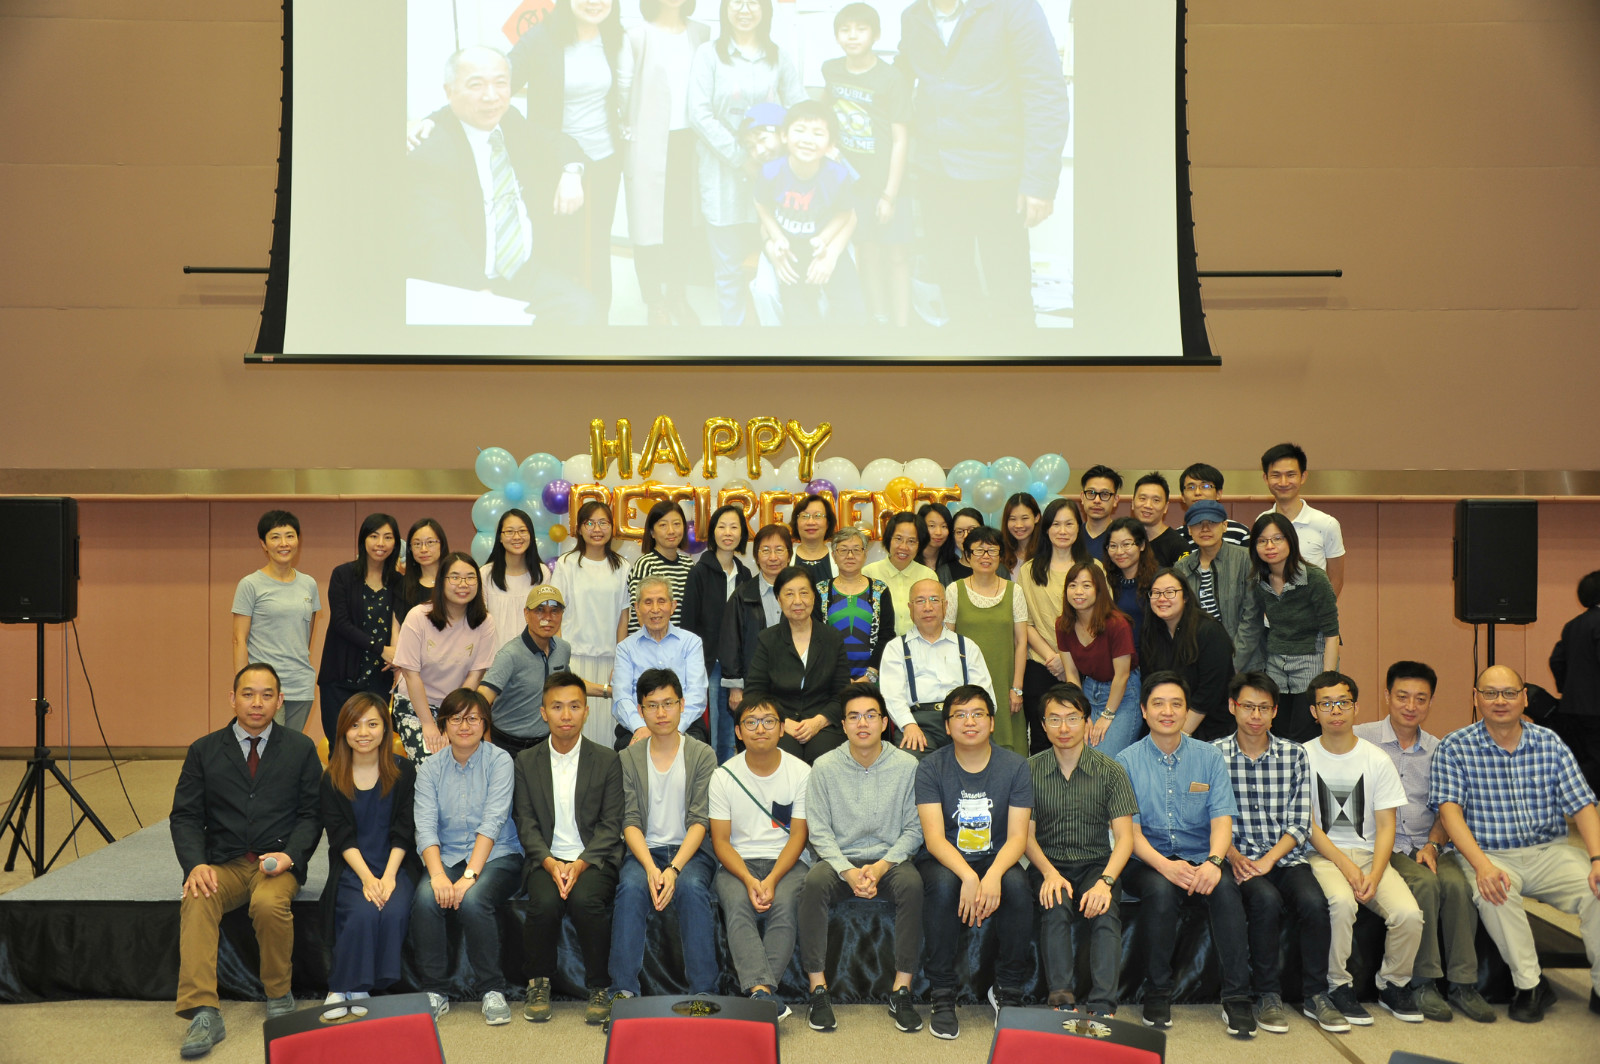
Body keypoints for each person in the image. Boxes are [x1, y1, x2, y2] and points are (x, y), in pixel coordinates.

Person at [1432, 665, 1600, 1023]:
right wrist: (1482, 866)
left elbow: (1583, 805)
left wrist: (1598, 859)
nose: (1500, 701)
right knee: (1495, 892)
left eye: (1509, 693)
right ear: (1475, 699)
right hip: (1490, 854)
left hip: (1548, 852)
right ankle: (1530, 986)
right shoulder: (1455, 746)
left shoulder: (1549, 743)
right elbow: (1450, 814)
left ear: (1524, 698)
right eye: (1490, 693)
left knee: (1597, 888)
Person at [171, 664, 322, 1059]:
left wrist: (290, 855)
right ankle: (204, 1011)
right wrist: (195, 865)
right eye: (248, 694)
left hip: (276, 863)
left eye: (267, 695)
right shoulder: (204, 750)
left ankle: (279, 994)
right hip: (223, 862)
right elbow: (185, 816)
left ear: (280, 700)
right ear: (232, 698)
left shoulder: (300, 748)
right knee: (197, 898)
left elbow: (311, 814)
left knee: (269, 904)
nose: (257, 703)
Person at [898, 0, 1069, 326]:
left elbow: (1046, 94)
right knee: (954, 285)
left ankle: (1017, 357)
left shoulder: (1015, 9)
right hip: (936, 173)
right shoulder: (914, 16)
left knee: (1009, 291)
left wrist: (1040, 182)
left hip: (998, 175)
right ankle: (970, 355)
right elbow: (900, 78)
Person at [406, 46, 595, 325]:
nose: (491, 96)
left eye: (500, 83)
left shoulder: (509, 120)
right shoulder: (433, 150)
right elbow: (439, 233)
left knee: (583, 310)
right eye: (476, 85)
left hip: (523, 270)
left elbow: (556, 141)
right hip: (469, 277)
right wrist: (476, 291)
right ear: (449, 91)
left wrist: (571, 171)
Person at [1353, 661, 1496, 1023]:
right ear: (1387, 696)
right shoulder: (1361, 739)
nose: (1410, 706)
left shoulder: (1440, 749)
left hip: (1429, 842)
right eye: (1402, 696)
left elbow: (1448, 810)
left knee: (1458, 885)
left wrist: (1432, 844)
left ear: (1431, 702)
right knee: (1425, 884)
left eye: (1421, 698)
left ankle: (1463, 983)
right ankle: (1423, 982)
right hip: (1384, 844)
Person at [1115, 673, 1256, 1037]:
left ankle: (1237, 997)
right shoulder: (1126, 761)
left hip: (1201, 854)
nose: (1168, 712)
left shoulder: (1209, 757)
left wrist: (1214, 862)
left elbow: (1221, 820)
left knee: (1226, 890)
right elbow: (1130, 833)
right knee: (1160, 892)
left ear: (1186, 710)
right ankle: (1157, 993)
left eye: (1176, 704)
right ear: (1143, 711)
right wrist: (1165, 866)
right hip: (1146, 859)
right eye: (1158, 704)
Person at [1212, 672, 1347, 1035]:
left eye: (1264, 708)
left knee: (1314, 902)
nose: (1255, 715)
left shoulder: (1294, 754)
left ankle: (1316, 995)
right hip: (1238, 858)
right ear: (1232, 707)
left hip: (1284, 856)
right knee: (1266, 901)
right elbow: (1208, 817)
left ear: (1275, 712)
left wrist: (1269, 859)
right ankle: (1267, 995)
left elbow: (1300, 822)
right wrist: (1233, 856)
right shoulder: (1213, 754)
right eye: (1248, 707)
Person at [798, 683, 925, 1034]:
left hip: (890, 860)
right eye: (853, 717)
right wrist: (846, 871)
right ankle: (818, 989)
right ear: (843, 725)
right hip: (840, 860)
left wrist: (883, 866)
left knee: (913, 885)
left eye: (870, 715)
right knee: (812, 883)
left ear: (885, 722)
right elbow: (818, 831)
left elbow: (914, 829)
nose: (862, 723)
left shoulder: (907, 765)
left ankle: (901, 991)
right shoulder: (824, 767)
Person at [1302, 671, 1426, 1026]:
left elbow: (1387, 826)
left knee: (1408, 915)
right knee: (1341, 904)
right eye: (1326, 704)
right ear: (1314, 712)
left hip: (1372, 857)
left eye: (1343, 702)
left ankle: (1392, 984)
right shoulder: (1302, 756)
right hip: (1323, 856)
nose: (1335, 710)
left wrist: (1375, 872)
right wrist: (1345, 865)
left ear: (1356, 708)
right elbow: (1308, 826)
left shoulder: (1376, 759)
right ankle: (1338, 986)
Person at [914, 685, 1034, 1039]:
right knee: (944, 885)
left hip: (997, 856)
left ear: (992, 722)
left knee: (1017, 885)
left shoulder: (1015, 766)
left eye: (978, 714)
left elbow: (1018, 837)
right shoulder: (930, 767)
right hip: (945, 858)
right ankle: (942, 993)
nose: (970, 722)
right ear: (947, 726)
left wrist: (993, 874)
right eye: (960, 715)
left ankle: (1008, 990)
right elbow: (934, 839)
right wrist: (968, 875)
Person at [511, 671, 625, 1027]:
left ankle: (599, 987)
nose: (566, 715)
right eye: (557, 707)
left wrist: (580, 864)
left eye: (574, 706)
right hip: (544, 858)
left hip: (593, 858)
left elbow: (611, 824)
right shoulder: (526, 761)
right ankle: (538, 983)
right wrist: (549, 862)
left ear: (586, 711)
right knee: (544, 904)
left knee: (586, 901)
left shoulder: (607, 759)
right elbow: (525, 822)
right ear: (543, 712)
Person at [687, 0, 807, 326]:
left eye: (752, 2)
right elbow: (698, 115)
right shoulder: (708, 55)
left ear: (764, 9)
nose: (744, 9)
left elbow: (800, 109)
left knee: (778, 264)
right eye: (736, 2)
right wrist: (742, 159)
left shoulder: (778, 56)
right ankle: (736, 344)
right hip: (721, 178)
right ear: (725, 8)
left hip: (774, 180)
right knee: (727, 272)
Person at [410, 688, 524, 1025]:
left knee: (473, 900)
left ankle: (492, 989)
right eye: (456, 718)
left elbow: (493, 822)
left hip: (497, 855)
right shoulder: (430, 768)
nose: (464, 726)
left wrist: (469, 876)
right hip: (447, 855)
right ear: (443, 724)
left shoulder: (500, 761)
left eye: (473, 718)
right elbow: (425, 826)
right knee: (425, 898)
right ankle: (435, 990)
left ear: (485, 723)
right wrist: (438, 876)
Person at [507, 0, 625, 319]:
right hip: (555, 165)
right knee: (557, 246)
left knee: (597, 246)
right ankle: (562, 325)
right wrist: (435, 119)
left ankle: (598, 323)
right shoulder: (539, 39)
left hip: (604, 161)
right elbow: (497, 85)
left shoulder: (614, 37)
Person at [1026, 683, 1136, 1017]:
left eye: (1072, 718)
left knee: (1105, 911)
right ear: (1043, 725)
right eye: (1054, 719)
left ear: (1087, 722)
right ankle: (1061, 1001)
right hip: (1048, 862)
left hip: (1096, 864)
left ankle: (1103, 1006)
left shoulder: (1111, 771)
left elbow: (1125, 838)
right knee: (1055, 904)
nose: (1064, 727)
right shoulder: (1028, 771)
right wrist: (1049, 873)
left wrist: (1106, 881)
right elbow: (1024, 836)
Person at [610, 668, 720, 1001]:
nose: (661, 713)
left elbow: (701, 820)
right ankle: (623, 991)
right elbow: (629, 820)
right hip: (644, 851)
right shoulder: (628, 758)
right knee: (630, 888)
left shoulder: (702, 754)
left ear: (682, 705)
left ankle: (704, 993)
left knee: (691, 888)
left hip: (692, 852)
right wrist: (650, 867)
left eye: (668, 703)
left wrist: (673, 869)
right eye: (652, 705)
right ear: (640, 710)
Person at [709, 695, 812, 1016]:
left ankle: (759, 993)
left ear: (782, 728)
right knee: (737, 904)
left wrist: (772, 879)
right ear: (738, 731)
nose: (760, 729)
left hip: (788, 862)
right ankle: (763, 996)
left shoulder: (801, 772)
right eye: (751, 722)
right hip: (737, 862)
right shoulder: (723, 776)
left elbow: (799, 836)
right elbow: (721, 841)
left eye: (768, 721)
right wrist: (748, 878)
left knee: (785, 904)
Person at [319, 691, 419, 1019]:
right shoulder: (332, 777)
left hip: (395, 864)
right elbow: (340, 836)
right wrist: (367, 878)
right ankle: (340, 987)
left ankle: (362, 986)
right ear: (343, 731)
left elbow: (404, 830)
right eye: (355, 725)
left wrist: (388, 878)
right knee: (361, 912)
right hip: (353, 866)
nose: (363, 732)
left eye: (372, 724)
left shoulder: (404, 771)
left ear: (385, 728)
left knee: (393, 910)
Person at [618, 0, 711, 325]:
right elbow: (622, 90)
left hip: (690, 142)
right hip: (648, 143)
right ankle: (653, 300)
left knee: (682, 224)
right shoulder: (636, 36)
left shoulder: (702, 33)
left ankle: (676, 294)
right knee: (646, 225)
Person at [822, 2, 912, 325]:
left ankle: (902, 328)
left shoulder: (891, 78)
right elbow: (825, 115)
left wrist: (889, 195)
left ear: (876, 35)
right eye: (845, 30)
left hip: (889, 183)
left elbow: (901, 140)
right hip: (853, 184)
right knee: (867, 250)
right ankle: (879, 320)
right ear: (837, 36)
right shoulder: (831, 70)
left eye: (861, 29)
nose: (852, 36)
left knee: (897, 254)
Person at [754, 100, 867, 325]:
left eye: (818, 133)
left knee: (852, 310)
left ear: (831, 144)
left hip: (826, 246)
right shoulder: (770, 172)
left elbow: (845, 213)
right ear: (784, 135)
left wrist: (824, 240)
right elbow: (761, 205)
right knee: (799, 316)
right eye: (799, 130)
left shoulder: (838, 175)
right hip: (791, 251)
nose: (807, 139)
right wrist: (777, 237)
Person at [1236, 514, 1341, 742]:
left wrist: (1326, 682)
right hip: (1276, 663)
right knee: (1278, 733)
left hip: (1312, 660)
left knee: (1306, 733)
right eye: (1262, 541)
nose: (1270, 546)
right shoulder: (1258, 581)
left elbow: (1332, 634)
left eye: (1277, 539)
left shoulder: (1314, 578)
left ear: (1291, 541)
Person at [393, 553, 498, 762]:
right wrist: (429, 724)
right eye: (455, 577)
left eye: (470, 577)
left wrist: (453, 720)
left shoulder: (485, 622)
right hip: (415, 706)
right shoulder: (418, 617)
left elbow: (475, 676)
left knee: (470, 762)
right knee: (429, 762)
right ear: (441, 581)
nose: (463, 584)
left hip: (459, 707)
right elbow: (411, 675)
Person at [744, 566, 851, 762]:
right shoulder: (767, 639)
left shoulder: (832, 638)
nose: (798, 601)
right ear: (779, 599)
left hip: (824, 722)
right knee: (785, 756)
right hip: (780, 723)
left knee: (823, 756)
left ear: (814, 597)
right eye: (789, 594)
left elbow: (842, 694)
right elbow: (754, 693)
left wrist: (818, 722)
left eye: (804, 593)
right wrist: (782, 721)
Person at [479, 584, 599, 758]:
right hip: (507, 746)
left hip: (545, 746)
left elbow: (568, 685)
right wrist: (486, 743)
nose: (547, 618)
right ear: (526, 614)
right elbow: (481, 699)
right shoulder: (510, 655)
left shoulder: (562, 649)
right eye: (540, 610)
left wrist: (609, 690)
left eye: (554, 611)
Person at [880, 577, 995, 757]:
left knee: (983, 761)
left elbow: (984, 695)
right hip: (919, 722)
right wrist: (908, 725)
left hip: (963, 719)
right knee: (910, 761)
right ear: (910, 608)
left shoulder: (967, 646)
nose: (928, 607)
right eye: (920, 601)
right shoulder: (896, 648)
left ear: (945, 606)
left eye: (934, 600)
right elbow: (892, 696)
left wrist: (971, 721)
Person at [549, 499, 630, 747]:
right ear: (579, 529)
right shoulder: (566, 564)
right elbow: (556, 612)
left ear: (612, 527)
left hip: (609, 661)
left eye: (603, 523)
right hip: (574, 659)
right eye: (590, 523)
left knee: (606, 733)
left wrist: (621, 662)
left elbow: (623, 617)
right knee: (573, 730)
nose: (597, 529)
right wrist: (560, 658)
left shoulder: (622, 566)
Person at [232, 510, 321, 733]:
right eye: (275, 537)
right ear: (263, 544)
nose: (284, 543)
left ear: (298, 540)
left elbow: (306, 634)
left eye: (290, 536)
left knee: (292, 747)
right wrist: (244, 687)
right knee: (268, 746)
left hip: (301, 684)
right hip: (265, 687)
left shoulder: (309, 584)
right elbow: (239, 639)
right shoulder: (250, 584)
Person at [317, 513, 403, 742]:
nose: (380, 543)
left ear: (396, 543)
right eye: (374, 536)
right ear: (363, 539)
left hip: (378, 680)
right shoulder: (343, 575)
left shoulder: (399, 582)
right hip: (339, 678)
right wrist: (381, 649)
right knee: (339, 745)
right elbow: (340, 623)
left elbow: (402, 623)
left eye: (387, 537)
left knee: (372, 745)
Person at [945, 526, 1028, 757]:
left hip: (1005, 684)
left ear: (1000, 555)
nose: (986, 556)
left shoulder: (1014, 591)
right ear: (967, 555)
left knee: (1009, 751)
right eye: (979, 551)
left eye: (992, 551)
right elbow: (947, 643)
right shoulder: (954, 590)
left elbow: (1021, 642)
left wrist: (1017, 688)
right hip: (966, 683)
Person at [1017, 498, 1092, 752]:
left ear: (1078, 527)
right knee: (1041, 739)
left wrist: (1068, 659)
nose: (1062, 531)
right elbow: (1025, 622)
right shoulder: (1029, 571)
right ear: (1046, 529)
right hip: (1041, 664)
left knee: (1081, 736)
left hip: (1084, 665)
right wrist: (1053, 657)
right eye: (1056, 524)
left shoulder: (1094, 568)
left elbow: (1100, 621)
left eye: (1069, 524)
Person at [681, 503, 753, 762]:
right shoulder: (699, 572)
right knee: (711, 729)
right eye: (722, 527)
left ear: (742, 533)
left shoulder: (745, 574)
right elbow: (688, 623)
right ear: (713, 532)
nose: (728, 533)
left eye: (734, 527)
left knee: (734, 729)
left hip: (738, 665)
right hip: (708, 663)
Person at [1056, 561, 1141, 757]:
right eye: (1072, 585)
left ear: (1099, 590)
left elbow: (1122, 675)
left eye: (1086, 585)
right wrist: (1081, 712)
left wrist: (1107, 715)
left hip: (1123, 693)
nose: (1078, 592)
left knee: (1103, 758)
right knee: (1077, 754)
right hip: (1088, 691)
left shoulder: (1117, 624)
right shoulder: (1063, 624)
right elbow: (1071, 673)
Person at [612, 577, 709, 747]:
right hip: (640, 723)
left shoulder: (691, 643)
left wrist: (675, 728)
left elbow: (697, 693)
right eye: (648, 602)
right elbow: (621, 696)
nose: (655, 609)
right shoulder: (625, 648)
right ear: (637, 608)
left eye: (661, 601)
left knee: (694, 747)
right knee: (626, 748)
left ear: (673, 606)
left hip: (683, 723)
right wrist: (641, 727)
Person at [1140, 570, 1234, 742]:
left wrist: (1180, 737)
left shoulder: (1210, 631)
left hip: (1209, 724)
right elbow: (1149, 684)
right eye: (1156, 593)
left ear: (1185, 597)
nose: (1162, 598)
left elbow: (1209, 691)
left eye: (1170, 592)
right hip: (1167, 721)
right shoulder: (1150, 633)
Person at [1259, 443, 1346, 597]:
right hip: (1270, 611)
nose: (1283, 482)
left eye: (1291, 475)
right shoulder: (1261, 522)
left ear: (1303, 477)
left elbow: (1336, 579)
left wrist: (1323, 609)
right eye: (1276, 475)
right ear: (1266, 478)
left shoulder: (1327, 524)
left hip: (1313, 611)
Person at [720, 524, 792, 707]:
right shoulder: (742, 595)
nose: (773, 557)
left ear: (789, 555)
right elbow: (731, 642)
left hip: (794, 685)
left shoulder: (802, 594)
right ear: (757, 557)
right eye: (765, 550)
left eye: (779, 550)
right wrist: (735, 687)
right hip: (754, 685)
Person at [1173, 499, 1253, 659]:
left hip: (1243, 658)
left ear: (1224, 526)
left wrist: (1235, 661)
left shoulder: (1246, 559)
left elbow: (1252, 616)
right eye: (1198, 523)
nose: (1205, 529)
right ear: (1189, 530)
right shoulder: (1181, 567)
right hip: (1199, 656)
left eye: (1212, 522)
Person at [817, 526, 894, 682]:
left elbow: (886, 635)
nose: (850, 556)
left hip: (872, 679)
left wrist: (870, 675)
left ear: (865, 554)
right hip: (831, 679)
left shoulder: (879, 590)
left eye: (856, 550)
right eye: (843, 550)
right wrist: (839, 677)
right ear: (833, 555)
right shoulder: (821, 590)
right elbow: (816, 638)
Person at [1551, 570, 1600, 792]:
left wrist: (1569, 688)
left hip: (1572, 707)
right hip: (1596, 708)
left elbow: (1556, 660)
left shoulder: (1572, 625)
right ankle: (1577, 800)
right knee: (1595, 763)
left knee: (1582, 758)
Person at [480, 508, 550, 654]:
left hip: (533, 657)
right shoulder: (485, 574)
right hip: (495, 658)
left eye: (522, 531)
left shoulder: (541, 573)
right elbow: (479, 622)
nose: (517, 537)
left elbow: (546, 619)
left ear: (531, 535)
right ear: (500, 537)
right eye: (509, 531)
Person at [863, 511, 938, 637]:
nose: (904, 547)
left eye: (911, 541)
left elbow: (934, 619)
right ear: (889, 539)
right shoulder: (868, 574)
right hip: (880, 646)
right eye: (898, 539)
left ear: (920, 545)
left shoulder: (928, 576)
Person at [626, 501, 693, 634]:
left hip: (681, 643)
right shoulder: (645, 564)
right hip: (649, 642)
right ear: (652, 532)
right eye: (663, 525)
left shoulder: (689, 565)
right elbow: (641, 612)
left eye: (676, 524)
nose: (671, 531)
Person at [1105, 517, 1157, 649]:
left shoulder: (1158, 581)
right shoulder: (1105, 580)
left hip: (1150, 657)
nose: (1119, 552)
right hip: (1115, 657)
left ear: (1142, 545)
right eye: (1113, 546)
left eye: (1126, 544)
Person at [1176, 462, 1251, 547]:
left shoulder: (1240, 532)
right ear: (1183, 496)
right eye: (1191, 487)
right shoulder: (1176, 538)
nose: (1197, 492)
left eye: (1205, 486)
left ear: (1218, 493)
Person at [1130, 473, 1187, 567]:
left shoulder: (1177, 545)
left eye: (1156, 500)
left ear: (1166, 507)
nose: (1148, 505)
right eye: (1142, 498)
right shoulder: (1122, 539)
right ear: (1132, 503)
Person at [398, 518, 449, 619]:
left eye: (430, 542)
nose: (423, 549)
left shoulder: (454, 581)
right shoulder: (402, 586)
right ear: (410, 549)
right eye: (417, 544)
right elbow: (398, 625)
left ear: (442, 544)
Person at [789, 492, 838, 584]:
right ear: (796, 523)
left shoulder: (840, 556)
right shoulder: (786, 557)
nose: (810, 522)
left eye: (817, 516)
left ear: (828, 523)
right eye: (804, 516)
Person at [1078, 466, 1122, 562]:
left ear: (1115, 500)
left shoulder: (1123, 538)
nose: (1097, 500)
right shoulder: (1072, 536)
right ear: (1082, 497)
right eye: (1091, 493)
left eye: (1105, 494)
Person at [918, 502, 960, 584]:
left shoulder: (954, 561)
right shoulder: (910, 559)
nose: (938, 532)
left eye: (944, 526)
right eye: (932, 526)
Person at [999, 493, 1040, 577]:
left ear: (1036, 518)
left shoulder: (1047, 552)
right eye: (1013, 519)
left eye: (1024, 518)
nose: (1018, 525)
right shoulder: (1000, 553)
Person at [947, 507, 985, 581]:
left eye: (972, 530)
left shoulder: (998, 569)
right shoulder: (945, 572)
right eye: (959, 532)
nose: (966, 536)